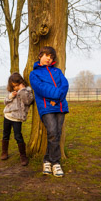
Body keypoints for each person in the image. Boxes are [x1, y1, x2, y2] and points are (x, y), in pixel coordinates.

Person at [29, 46, 69, 177]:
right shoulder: (34, 74)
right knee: (52, 132)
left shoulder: (57, 71)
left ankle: (47, 160)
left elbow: (65, 85)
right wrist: (57, 95)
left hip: (60, 106)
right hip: (46, 107)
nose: (49, 58)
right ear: (40, 56)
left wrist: (57, 100)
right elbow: (41, 88)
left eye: (51, 57)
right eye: (46, 55)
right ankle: (56, 163)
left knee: (56, 134)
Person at [1, 72, 34, 166]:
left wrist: (22, 90)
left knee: (18, 136)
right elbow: (5, 102)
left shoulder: (26, 91)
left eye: (17, 85)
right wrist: (10, 96)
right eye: (13, 86)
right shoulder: (12, 92)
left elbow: (28, 101)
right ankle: (4, 152)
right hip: (7, 116)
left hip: (17, 118)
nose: (15, 88)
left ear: (21, 82)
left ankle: (23, 156)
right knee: (5, 134)